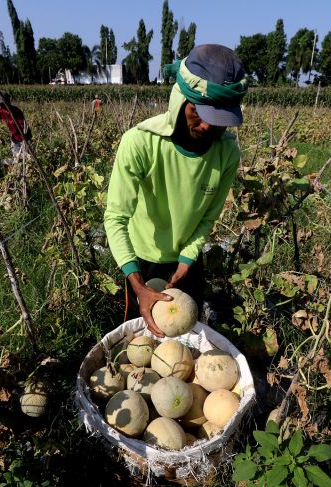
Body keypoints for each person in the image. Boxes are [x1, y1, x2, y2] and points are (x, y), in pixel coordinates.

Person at [103, 44, 247, 337]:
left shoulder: (227, 153)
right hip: (140, 263)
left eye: (219, 121)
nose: (207, 126)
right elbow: (116, 217)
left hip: (188, 260)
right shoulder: (140, 143)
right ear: (181, 100)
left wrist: (187, 259)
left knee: (187, 335)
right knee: (141, 341)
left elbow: (207, 217)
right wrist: (137, 283)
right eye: (199, 112)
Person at [0, 93, 31, 161]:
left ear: (8, 102)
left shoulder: (16, 111)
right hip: (14, 137)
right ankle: (18, 170)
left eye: (2, 103)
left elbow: (23, 126)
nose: (1, 105)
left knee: (27, 158)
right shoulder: (0, 111)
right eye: (0, 103)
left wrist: (24, 139)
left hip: (25, 136)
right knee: (16, 157)